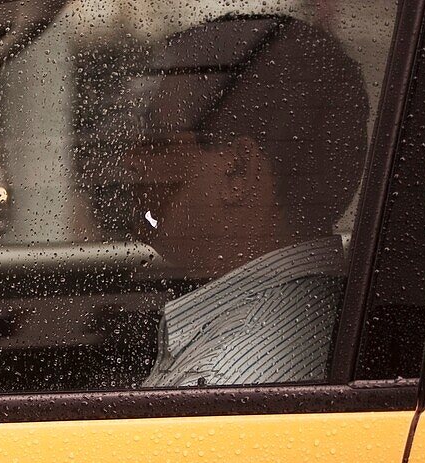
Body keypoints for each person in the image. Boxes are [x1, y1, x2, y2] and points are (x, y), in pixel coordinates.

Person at [115, 15, 370, 388]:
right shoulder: (323, 304)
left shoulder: (217, 383)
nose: (132, 159)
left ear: (237, 172)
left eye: (158, 140)